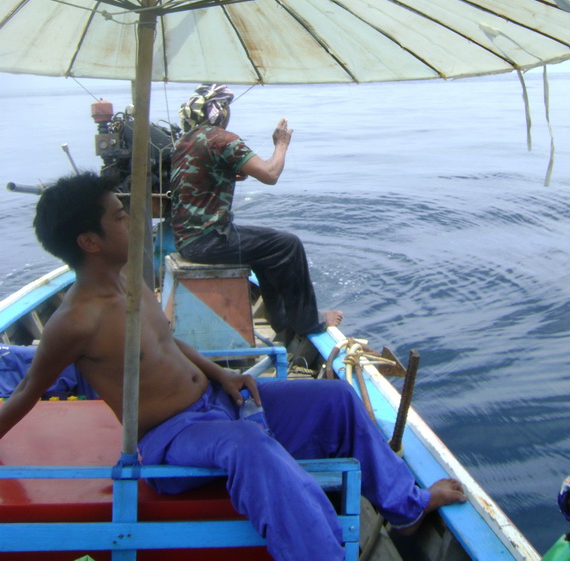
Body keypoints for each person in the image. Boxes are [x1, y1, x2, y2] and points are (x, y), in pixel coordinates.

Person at [0, 173, 466, 561]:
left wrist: (221, 374)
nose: (132, 223)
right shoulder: (74, 321)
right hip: (172, 436)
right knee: (249, 446)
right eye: (119, 218)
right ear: (90, 241)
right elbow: (26, 394)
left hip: (217, 398)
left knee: (336, 398)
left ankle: (408, 509)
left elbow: (167, 340)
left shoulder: (129, 282)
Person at [170, 83, 343, 336]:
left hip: (187, 241)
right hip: (209, 241)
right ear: (217, 111)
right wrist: (281, 144)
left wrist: (229, 173)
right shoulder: (220, 138)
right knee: (287, 245)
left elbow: (204, 173)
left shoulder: (184, 143)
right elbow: (270, 174)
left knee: (266, 250)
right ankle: (308, 321)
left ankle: (281, 320)